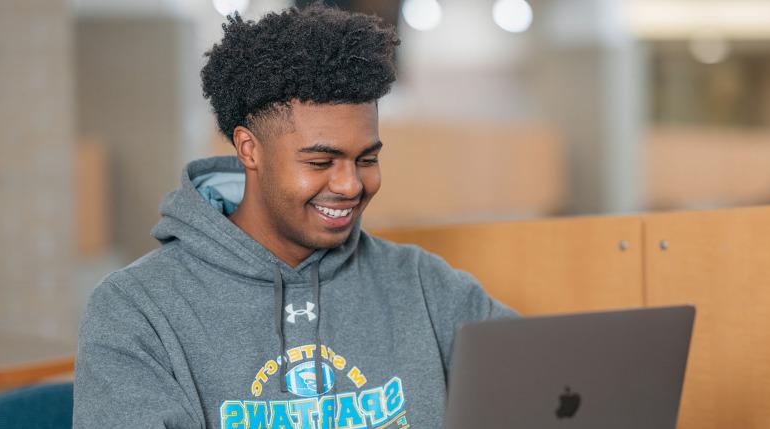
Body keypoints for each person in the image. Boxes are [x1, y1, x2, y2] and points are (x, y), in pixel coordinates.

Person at [73, 4, 515, 428]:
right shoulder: (137, 310)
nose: (351, 185)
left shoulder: (424, 285)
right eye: (321, 163)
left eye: (366, 159)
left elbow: (547, 383)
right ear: (249, 149)